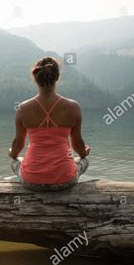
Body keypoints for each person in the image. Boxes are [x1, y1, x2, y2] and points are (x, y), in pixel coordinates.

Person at [8, 56, 90, 191]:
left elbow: (18, 143)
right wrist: (84, 152)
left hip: (31, 181)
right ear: (57, 77)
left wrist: (12, 154)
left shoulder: (22, 108)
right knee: (84, 161)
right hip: (65, 181)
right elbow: (77, 144)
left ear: (35, 78)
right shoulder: (73, 107)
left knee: (15, 161)